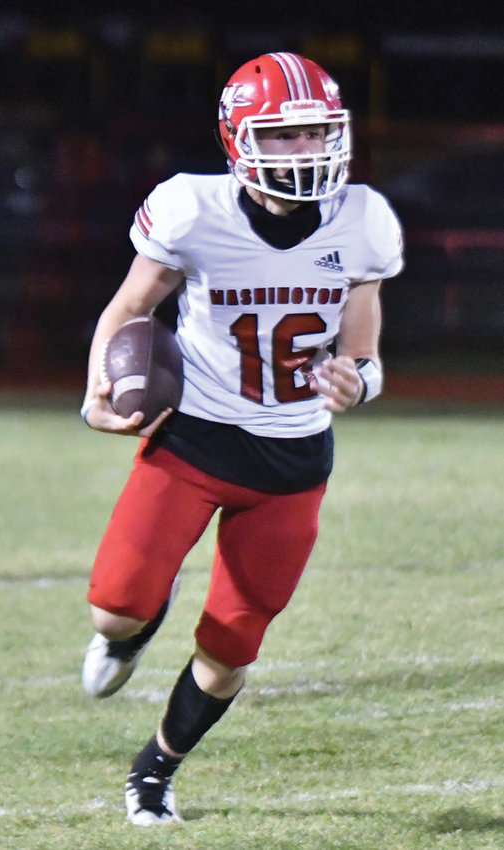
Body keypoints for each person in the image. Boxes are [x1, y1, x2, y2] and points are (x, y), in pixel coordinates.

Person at [80, 51, 403, 826]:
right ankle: (137, 629)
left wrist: (359, 381)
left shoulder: (362, 220)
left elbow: (363, 351)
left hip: (292, 461)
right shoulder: (193, 210)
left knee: (232, 649)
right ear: (239, 138)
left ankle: (153, 772)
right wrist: (97, 392)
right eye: (284, 135)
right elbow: (129, 310)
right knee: (114, 612)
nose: (305, 151)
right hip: (193, 439)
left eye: (316, 133)